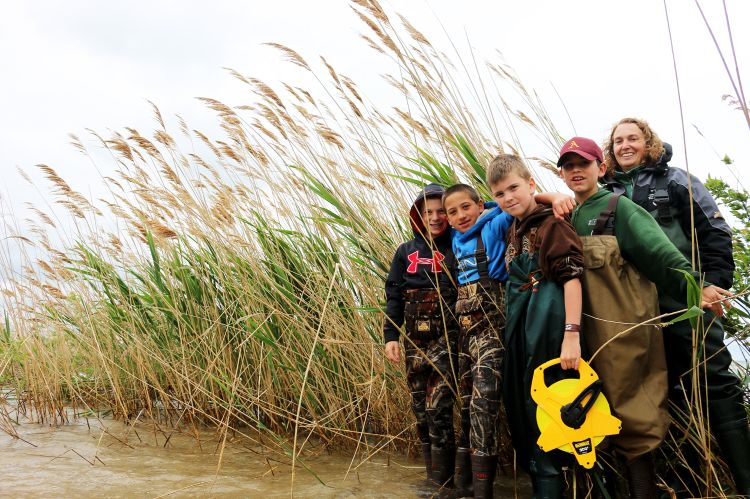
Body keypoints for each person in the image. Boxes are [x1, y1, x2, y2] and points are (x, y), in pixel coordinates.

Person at [550, 118, 749, 497]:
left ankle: (738, 479)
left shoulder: (674, 181)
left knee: (714, 383)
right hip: (630, 317)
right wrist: (549, 198)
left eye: (633, 138)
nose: (625, 145)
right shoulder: (595, 197)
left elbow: (711, 231)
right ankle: (684, 480)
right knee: (660, 392)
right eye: (618, 140)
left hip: (682, 301)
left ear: (648, 142)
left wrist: (711, 285)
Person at [487, 154, 584, 498]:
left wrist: (571, 336)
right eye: (500, 194)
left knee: (546, 416)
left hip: (549, 335)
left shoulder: (552, 225)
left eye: (514, 188)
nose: (508, 197)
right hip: (521, 336)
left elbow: (572, 279)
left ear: (530, 184)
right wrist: (547, 195)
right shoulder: (513, 227)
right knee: (525, 418)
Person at [383, 183, 459, 488]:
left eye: (442, 211)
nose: (436, 217)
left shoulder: (459, 245)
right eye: (429, 212)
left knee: (438, 405)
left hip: (448, 340)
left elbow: (488, 211)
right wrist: (391, 336)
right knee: (420, 408)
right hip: (415, 341)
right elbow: (394, 295)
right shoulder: (405, 251)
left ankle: (446, 478)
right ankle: (433, 477)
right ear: (418, 215)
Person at [442, 183, 513, 498]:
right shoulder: (456, 239)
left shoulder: (493, 226)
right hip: (467, 335)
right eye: (452, 212)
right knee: (468, 405)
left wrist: (554, 197)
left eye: (465, 208)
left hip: (493, 329)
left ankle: (484, 490)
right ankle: (464, 486)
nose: (460, 216)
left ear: (479, 205)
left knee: (485, 404)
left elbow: (516, 205)